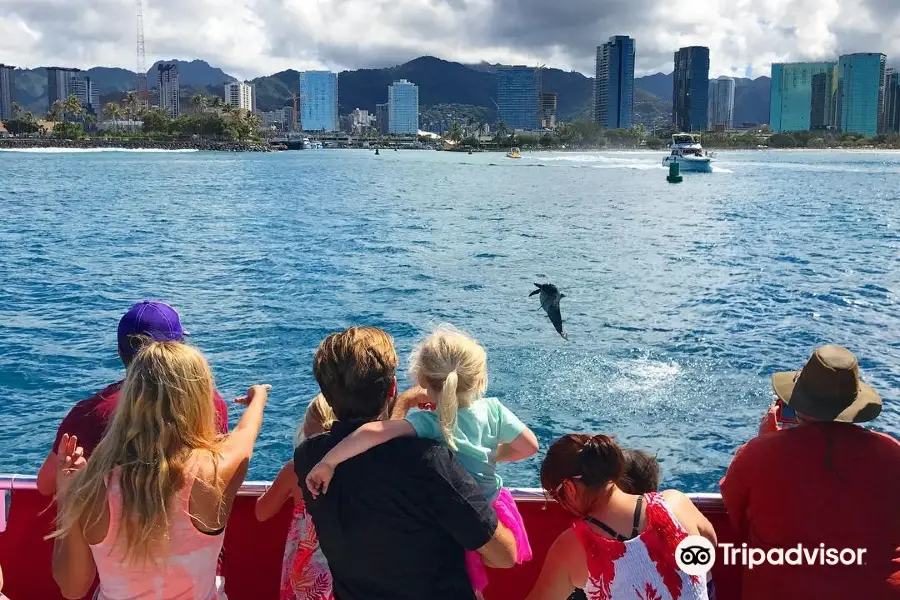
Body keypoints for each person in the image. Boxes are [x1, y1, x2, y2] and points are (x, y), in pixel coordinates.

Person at [305, 324, 538, 594]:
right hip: (492, 509)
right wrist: (493, 455)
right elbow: (504, 557)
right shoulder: (439, 455)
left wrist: (328, 462)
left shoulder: (306, 457)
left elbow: (376, 437)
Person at [50, 341, 270, 600]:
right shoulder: (213, 474)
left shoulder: (91, 487)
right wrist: (258, 399)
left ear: (130, 399)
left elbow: (72, 589)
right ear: (198, 399)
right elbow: (244, 437)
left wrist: (68, 497)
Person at [720, 345, 900, 599]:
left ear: (798, 403)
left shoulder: (757, 454)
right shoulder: (893, 453)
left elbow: (737, 518)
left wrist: (766, 444)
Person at [37, 301, 230, 496]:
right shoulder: (211, 404)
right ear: (179, 350)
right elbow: (220, 475)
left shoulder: (89, 414)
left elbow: (46, 486)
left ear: (120, 352)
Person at [526, 434, 716, 600]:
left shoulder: (572, 546)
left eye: (555, 494)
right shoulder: (676, 502)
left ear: (569, 487)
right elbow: (710, 543)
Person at [256, 394, 336, 600]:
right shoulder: (356, 468)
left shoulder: (296, 470)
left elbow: (262, 512)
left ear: (306, 430)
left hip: (307, 579)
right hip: (346, 575)